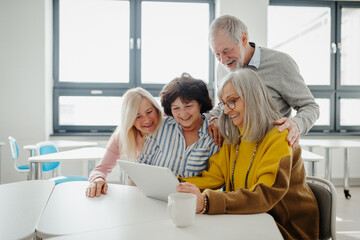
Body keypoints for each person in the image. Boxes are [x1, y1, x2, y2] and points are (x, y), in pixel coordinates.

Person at [177, 69, 319, 240]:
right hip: (248, 221)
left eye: (232, 101)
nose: (227, 111)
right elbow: (212, 177)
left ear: (253, 98)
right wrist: (175, 184)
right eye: (224, 104)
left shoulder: (280, 137)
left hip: (283, 228)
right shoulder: (235, 138)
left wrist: (207, 202)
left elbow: (264, 195)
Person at [206, 15, 319, 147]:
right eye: (217, 54)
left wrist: (296, 124)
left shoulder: (280, 63)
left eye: (227, 51)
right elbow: (225, 106)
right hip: (238, 153)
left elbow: (310, 107)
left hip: (271, 149)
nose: (223, 60)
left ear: (243, 39)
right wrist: (212, 118)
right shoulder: (222, 68)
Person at [137, 73, 220, 178]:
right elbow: (142, 164)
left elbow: (213, 179)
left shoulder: (213, 135)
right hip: (155, 193)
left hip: (192, 194)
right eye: (176, 108)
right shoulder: (161, 127)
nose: (183, 114)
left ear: (200, 103)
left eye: (188, 106)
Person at [86, 87, 163, 198]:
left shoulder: (169, 128)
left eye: (149, 112)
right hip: (137, 195)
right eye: (138, 116)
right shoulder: (122, 136)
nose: (146, 120)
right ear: (130, 119)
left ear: (156, 109)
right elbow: (101, 169)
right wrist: (98, 179)